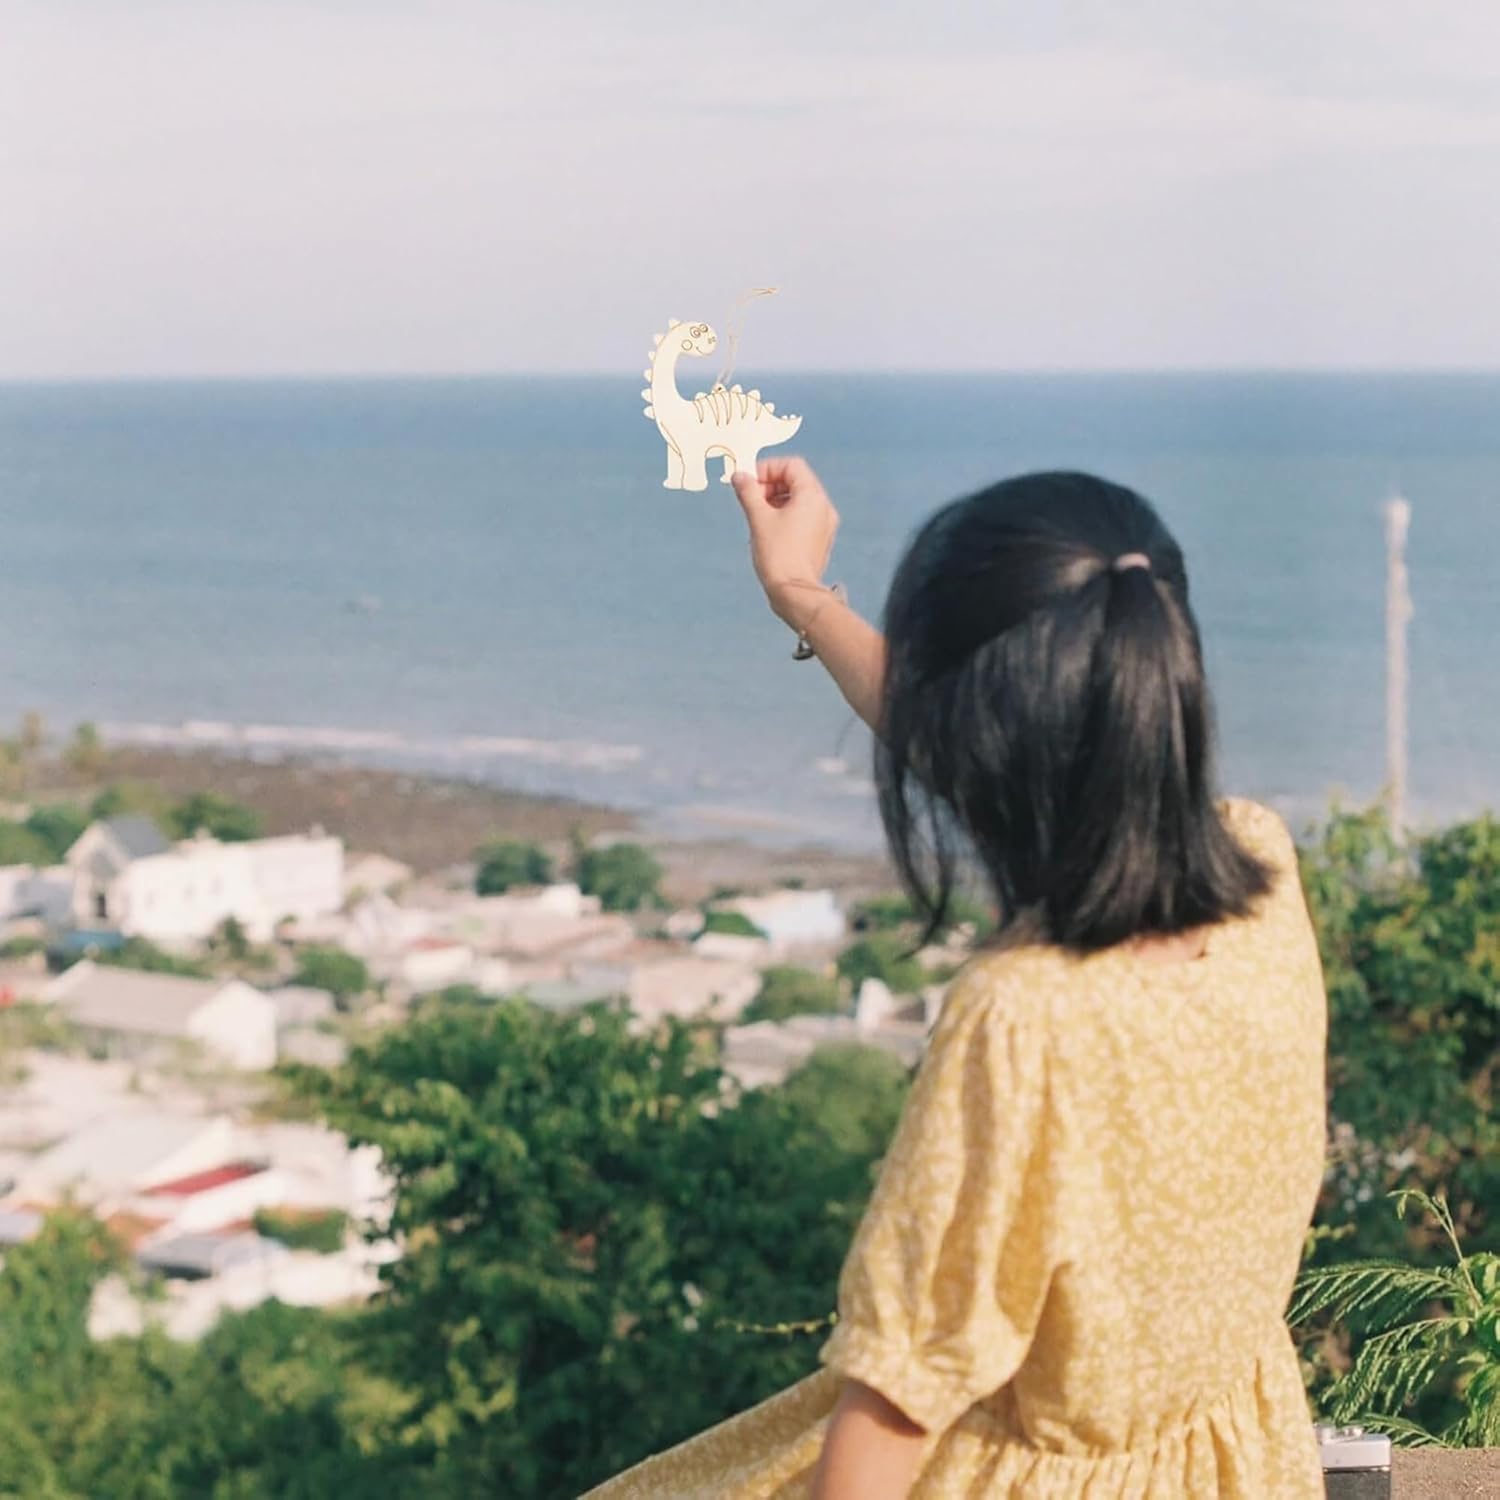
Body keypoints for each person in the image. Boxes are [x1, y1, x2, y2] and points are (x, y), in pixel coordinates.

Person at [584, 460, 1327, 1499]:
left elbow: (896, 1402)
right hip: (1235, 1464)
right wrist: (800, 595)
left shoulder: (1028, 1014)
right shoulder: (1263, 873)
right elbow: (1009, 762)